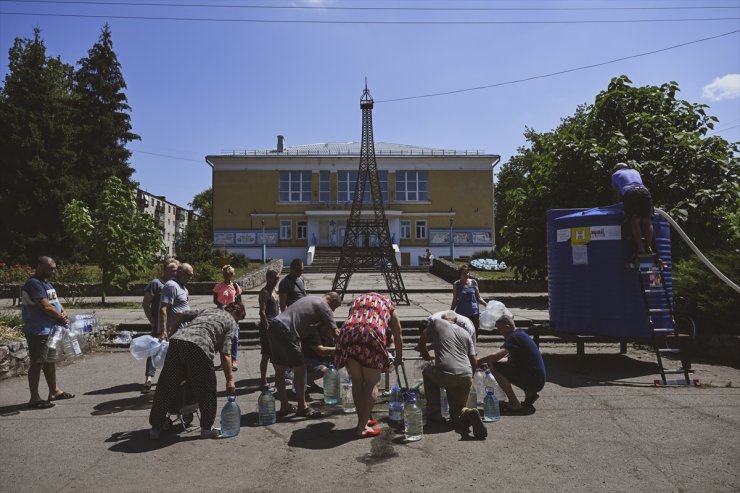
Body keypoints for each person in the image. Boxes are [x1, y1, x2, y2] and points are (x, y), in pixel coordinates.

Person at [148, 302, 245, 439]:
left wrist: (171, 333)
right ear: (236, 312)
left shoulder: (209, 309)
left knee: (166, 386)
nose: (237, 322)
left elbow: (181, 313)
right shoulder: (231, 322)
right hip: (200, 346)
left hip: (177, 341)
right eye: (239, 319)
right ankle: (206, 428)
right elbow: (226, 353)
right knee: (207, 389)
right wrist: (230, 379)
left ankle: (155, 428)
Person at [335, 292, 402, 438]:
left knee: (358, 381)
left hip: (348, 334)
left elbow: (353, 319)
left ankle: (362, 422)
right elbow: (397, 333)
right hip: (370, 334)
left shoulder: (358, 301)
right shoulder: (388, 304)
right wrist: (399, 357)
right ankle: (362, 429)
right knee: (372, 382)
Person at [267, 292, 341, 418]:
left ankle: (284, 406)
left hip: (274, 325)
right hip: (287, 329)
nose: (333, 310)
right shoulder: (325, 306)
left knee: (280, 369)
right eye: (336, 306)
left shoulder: (310, 298)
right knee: (300, 368)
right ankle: (302, 407)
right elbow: (336, 332)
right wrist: (346, 347)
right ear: (332, 300)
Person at [417, 311, 487, 439]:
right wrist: (469, 377)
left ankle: (435, 414)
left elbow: (423, 337)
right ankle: (469, 412)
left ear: (444, 318)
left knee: (427, 372)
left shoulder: (437, 322)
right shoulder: (465, 333)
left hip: (445, 372)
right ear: (456, 320)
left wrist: (425, 353)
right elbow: (474, 360)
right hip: (465, 374)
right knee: (457, 413)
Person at [20, 256, 75, 409]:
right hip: (38, 329)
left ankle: (54, 391)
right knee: (37, 362)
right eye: (51, 268)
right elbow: (45, 306)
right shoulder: (34, 284)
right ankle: (34, 398)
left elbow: (55, 303)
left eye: (54, 267)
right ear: (39, 266)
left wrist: (63, 312)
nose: (54, 270)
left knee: (50, 361)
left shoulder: (46, 283)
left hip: (51, 329)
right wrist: (60, 318)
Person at [478, 315, 546, 412]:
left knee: (495, 367)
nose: (499, 331)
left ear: (507, 326)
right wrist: (489, 361)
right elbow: (508, 360)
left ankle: (514, 403)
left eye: (500, 328)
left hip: (534, 380)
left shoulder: (514, 337)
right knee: (494, 364)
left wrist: (478, 362)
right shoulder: (520, 334)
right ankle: (530, 394)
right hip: (537, 380)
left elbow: (496, 356)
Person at [141, 258, 179, 393]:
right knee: (154, 350)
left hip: (174, 324)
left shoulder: (176, 285)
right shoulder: (156, 283)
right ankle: (149, 379)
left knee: (173, 353)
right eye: (172, 270)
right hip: (159, 324)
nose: (175, 273)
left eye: (176, 270)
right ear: (165, 269)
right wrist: (152, 321)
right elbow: (146, 304)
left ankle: (171, 380)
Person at [611, 162, 655, 255]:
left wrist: (618, 204)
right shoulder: (635, 171)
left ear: (617, 169)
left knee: (635, 220)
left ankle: (640, 248)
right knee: (647, 220)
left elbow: (616, 192)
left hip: (630, 192)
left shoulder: (615, 174)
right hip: (644, 191)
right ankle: (648, 246)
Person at [212, 264, 242, 371]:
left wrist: (237, 311)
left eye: (229, 274)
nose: (226, 276)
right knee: (222, 338)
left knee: (235, 338)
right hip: (221, 313)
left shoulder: (235, 286)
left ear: (232, 275)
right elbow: (215, 300)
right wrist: (221, 305)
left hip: (233, 315)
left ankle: (233, 360)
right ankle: (223, 361)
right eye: (225, 274)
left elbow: (239, 301)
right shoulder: (219, 286)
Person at [450, 264, 487, 340]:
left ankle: (473, 350)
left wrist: (487, 305)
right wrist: (451, 311)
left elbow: (478, 297)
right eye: (464, 273)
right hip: (462, 313)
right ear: (460, 274)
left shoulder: (473, 282)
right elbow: (455, 300)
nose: (467, 275)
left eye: (467, 272)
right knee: (462, 335)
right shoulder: (456, 284)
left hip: (474, 312)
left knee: (474, 333)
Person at [258, 268, 280, 387]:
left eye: (277, 278)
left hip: (276, 325)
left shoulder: (275, 291)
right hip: (267, 326)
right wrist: (267, 328)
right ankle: (263, 380)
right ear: (267, 278)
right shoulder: (264, 292)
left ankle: (278, 378)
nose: (276, 281)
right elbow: (262, 312)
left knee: (276, 353)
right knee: (266, 354)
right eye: (273, 278)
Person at [158, 263, 193, 340]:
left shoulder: (184, 288)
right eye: (188, 275)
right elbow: (163, 308)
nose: (190, 278)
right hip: (173, 332)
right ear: (179, 272)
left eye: (191, 275)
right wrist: (164, 331)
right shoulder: (171, 286)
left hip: (182, 330)